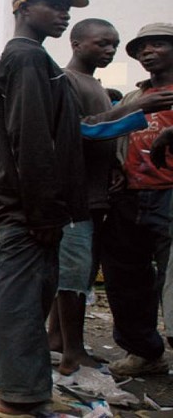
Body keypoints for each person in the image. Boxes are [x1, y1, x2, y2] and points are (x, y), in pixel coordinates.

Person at [0, 0, 90, 416]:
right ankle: (20, 399)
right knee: (22, 299)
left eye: (67, 7)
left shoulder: (18, 59)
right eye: (53, 6)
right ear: (22, 8)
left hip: (4, 203)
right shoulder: (30, 58)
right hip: (24, 208)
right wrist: (44, 213)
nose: (64, 14)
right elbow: (32, 139)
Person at [98, 22, 173, 377]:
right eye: (142, 47)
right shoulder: (133, 98)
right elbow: (112, 136)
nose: (147, 51)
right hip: (130, 198)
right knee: (125, 278)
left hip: (170, 196)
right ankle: (144, 352)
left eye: (157, 44)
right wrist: (115, 168)